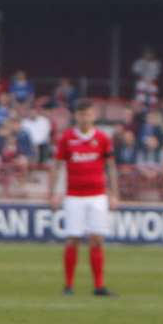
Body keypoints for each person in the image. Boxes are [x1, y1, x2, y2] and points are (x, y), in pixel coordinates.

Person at [51, 100, 118, 297]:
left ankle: (99, 286)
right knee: (73, 238)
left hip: (97, 195)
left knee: (97, 239)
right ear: (76, 116)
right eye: (81, 114)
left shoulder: (103, 138)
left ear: (93, 115)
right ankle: (68, 285)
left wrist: (114, 193)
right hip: (74, 196)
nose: (85, 118)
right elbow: (56, 166)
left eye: (88, 114)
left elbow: (111, 167)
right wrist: (54, 192)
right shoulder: (67, 138)